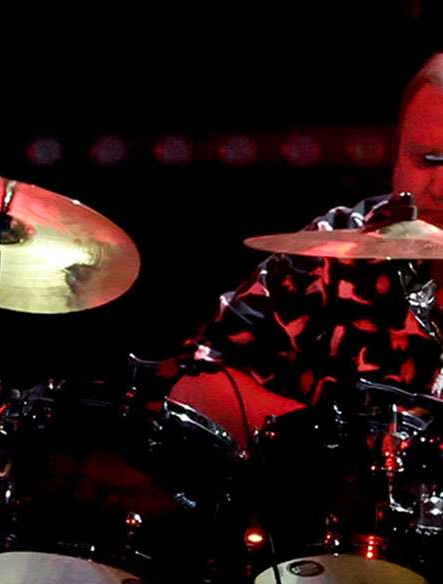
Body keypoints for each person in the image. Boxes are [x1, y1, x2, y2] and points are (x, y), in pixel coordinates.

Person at [172, 53, 443, 444]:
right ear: (396, 152)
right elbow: (196, 382)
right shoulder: (339, 248)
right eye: (428, 159)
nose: (439, 185)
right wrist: (332, 450)